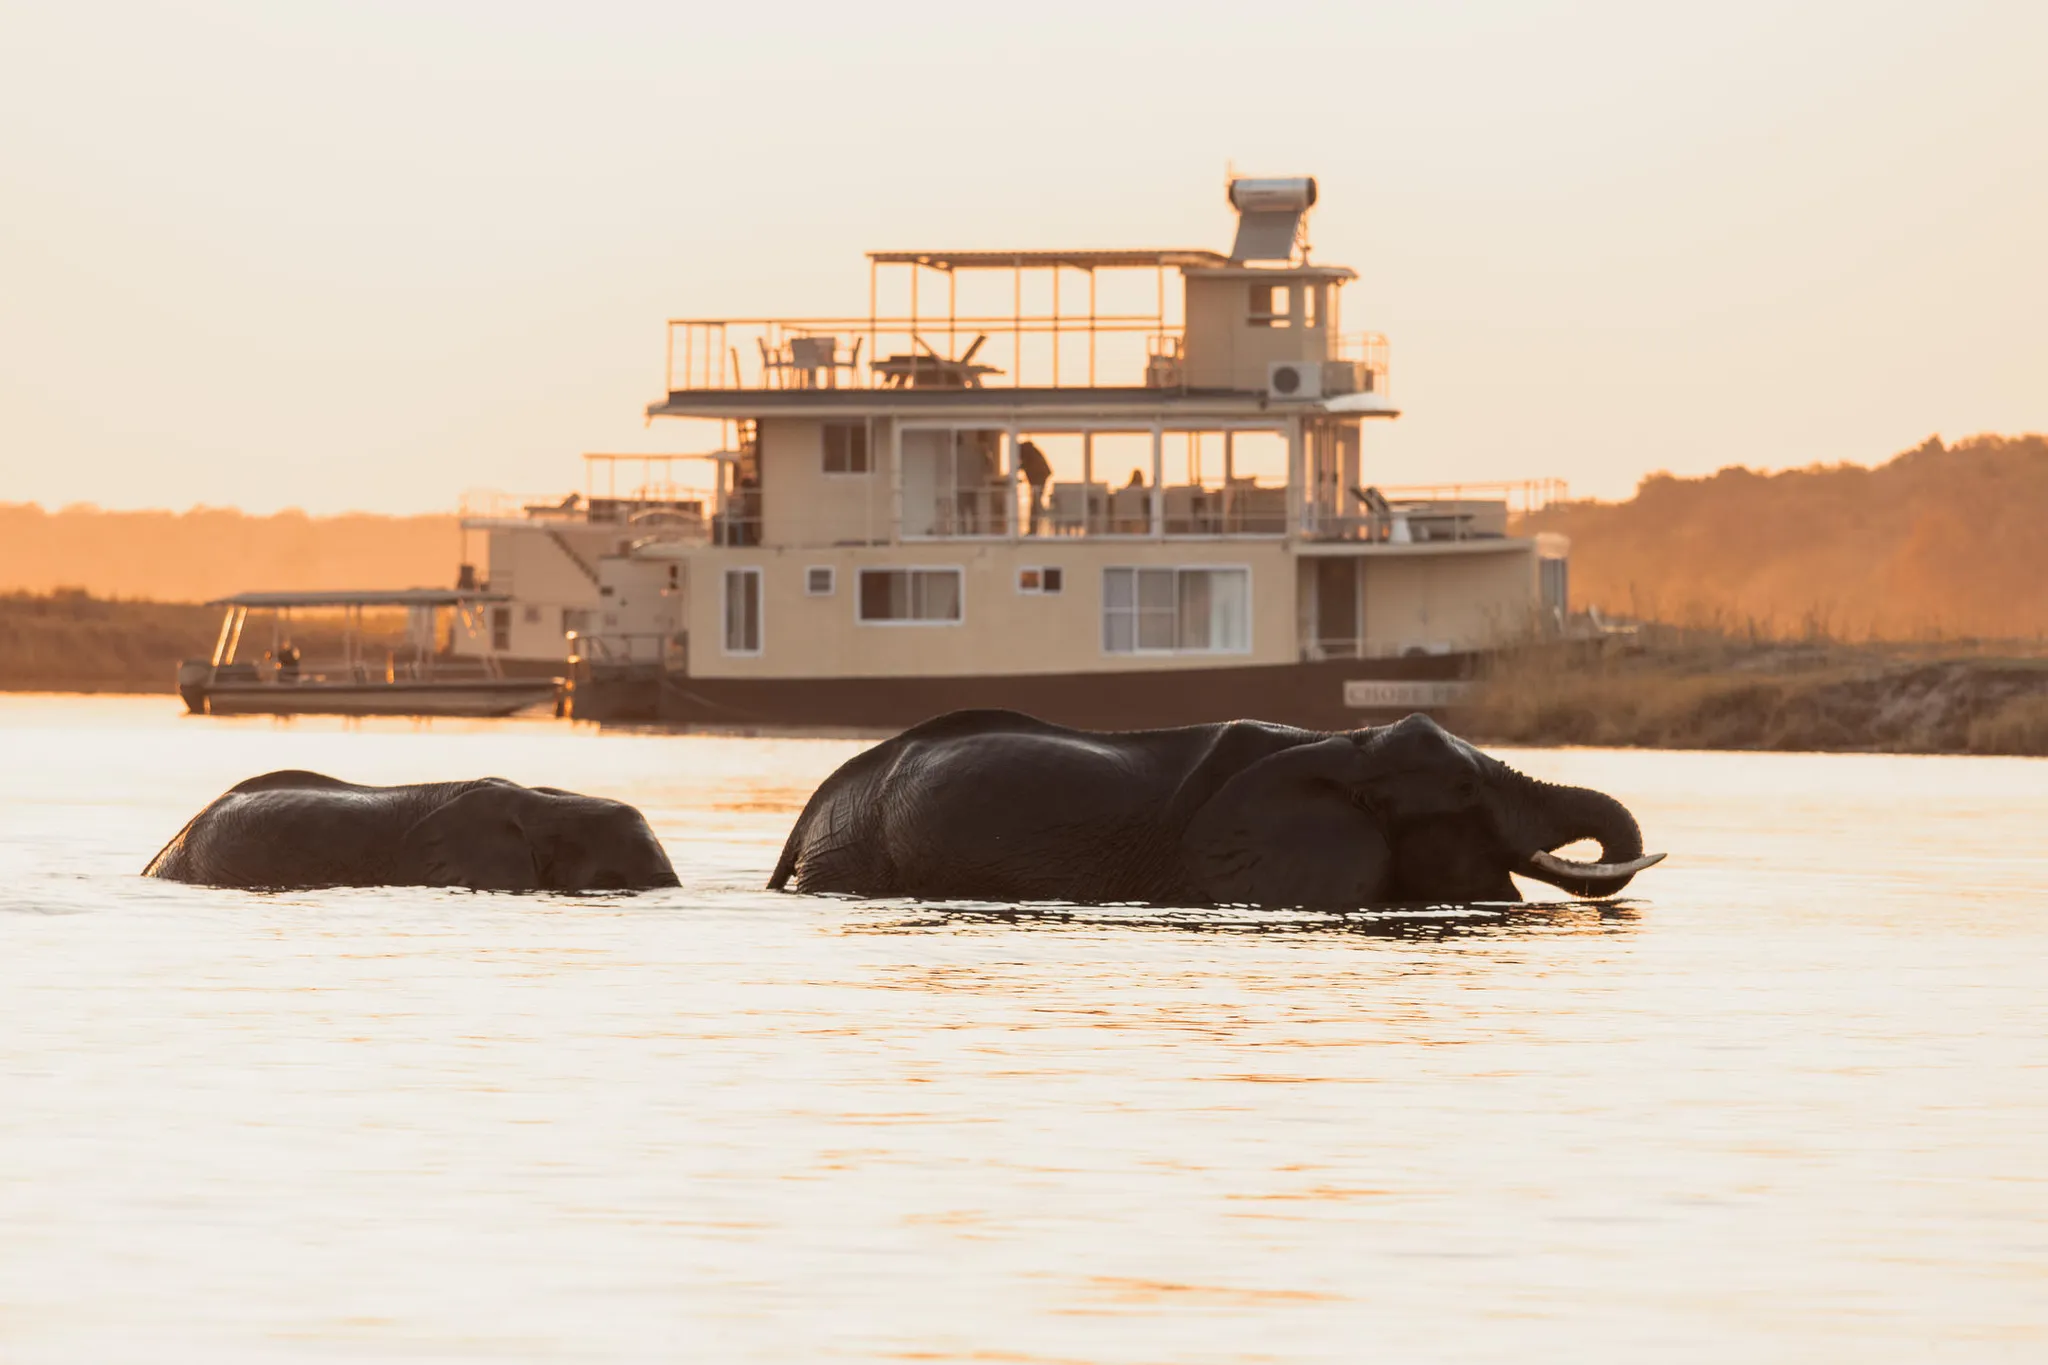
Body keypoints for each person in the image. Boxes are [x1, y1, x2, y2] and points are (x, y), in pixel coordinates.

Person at [1018, 439, 1053, 535]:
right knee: (1035, 505)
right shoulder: (1031, 452)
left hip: (1039, 479)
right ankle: (1033, 529)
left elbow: (1025, 465)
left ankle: (1033, 530)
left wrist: (1017, 469)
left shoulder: (1028, 452)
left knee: (1035, 505)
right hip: (1039, 478)